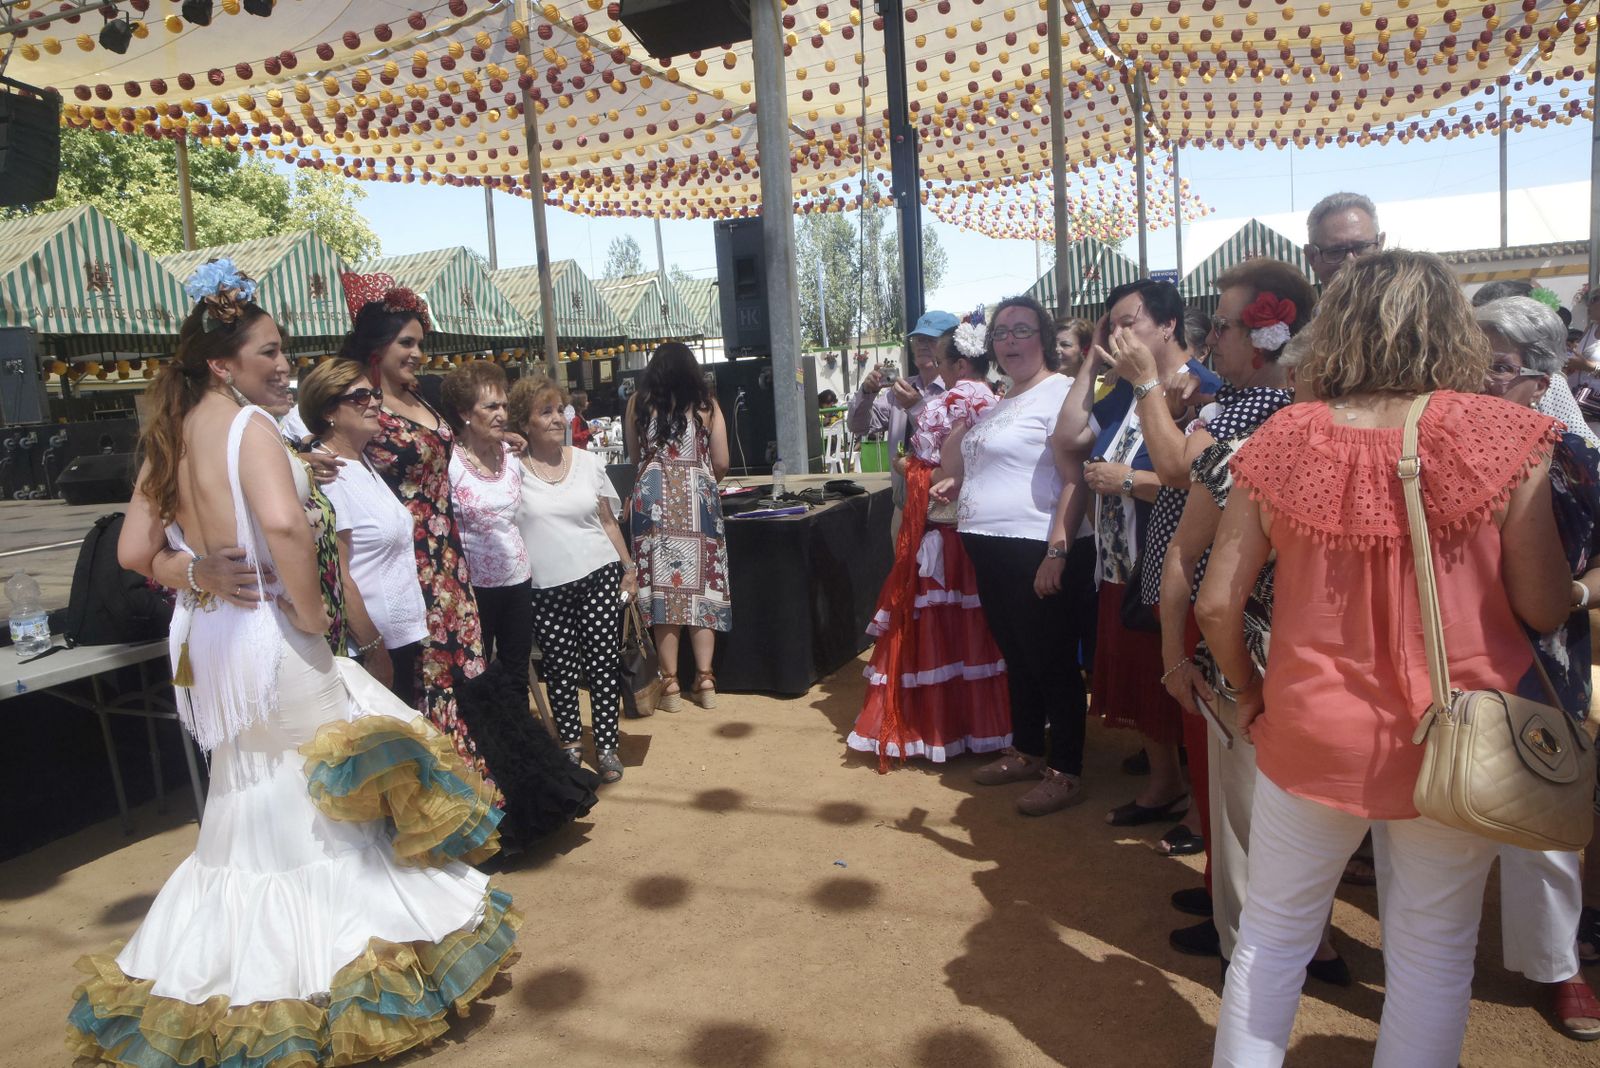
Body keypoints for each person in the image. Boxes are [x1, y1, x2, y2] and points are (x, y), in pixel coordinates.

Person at [78, 264, 517, 1066]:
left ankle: (225, 980)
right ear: (223, 362)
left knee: (249, 808)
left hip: (210, 643)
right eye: (270, 352)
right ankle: (324, 987)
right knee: (319, 810)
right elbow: (282, 526)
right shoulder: (246, 430)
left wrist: (195, 573)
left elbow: (135, 550)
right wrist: (314, 615)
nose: (285, 365)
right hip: (269, 641)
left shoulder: (172, 434)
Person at [1199, 250, 1569, 1066]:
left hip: (1309, 729)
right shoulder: (1508, 434)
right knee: (1432, 952)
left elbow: (1218, 603)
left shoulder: (1285, 435)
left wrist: (1250, 691)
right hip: (1460, 733)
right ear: (1451, 328)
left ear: (1340, 326)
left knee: (1271, 936)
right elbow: (1543, 606)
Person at [1142, 261, 1343, 980]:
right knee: (1262, 814)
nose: (1211, 339)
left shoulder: (1249, 432)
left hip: (1261, 658)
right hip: (1292, 659)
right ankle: (1286, 939)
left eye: (1223, 325)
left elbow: (1189, 548)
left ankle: (1270, 951)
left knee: (1261, 814)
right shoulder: (1253, 429)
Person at [1474, 295, 1600, 1040]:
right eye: (1474, 364)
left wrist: (1571, 595)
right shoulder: (1430, 448)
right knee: (1435, 809)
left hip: (1542, 662)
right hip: (1447, 655)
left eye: (1501, 368)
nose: (1484, 382)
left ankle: (1560, 968)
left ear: (1540, 377)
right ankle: (1436, 962)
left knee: (1544, 822)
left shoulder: (1575, 459)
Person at [1056, 279, 1220, 828]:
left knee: (1176, 681)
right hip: (1122, 565)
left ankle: (1196, 804)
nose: (1120, 334)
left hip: (1172, 565)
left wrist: (1128, 481)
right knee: (1145, 680)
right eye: (1113, 325)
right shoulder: (1126, 389)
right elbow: (1069, 435)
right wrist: (1092, 357)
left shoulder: (1202, 390)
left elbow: (1205, 483)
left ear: (1168, 325)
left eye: (1130, 322)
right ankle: (1167, 783)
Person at [337, 280, 490, 785]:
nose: (418, 353)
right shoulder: (355, 403)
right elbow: (308, 435)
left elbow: (442, 448)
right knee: (427, 683)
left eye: (420, 343)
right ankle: (444, 804)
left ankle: (481, 797)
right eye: (407, 343)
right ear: (376, 347)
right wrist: (306, 459)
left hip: (450, 562)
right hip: (405, 567)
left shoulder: (416, 393)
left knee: (466, 674)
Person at [947, 296, 1092, 815]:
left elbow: (1075, 480)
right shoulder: (1004, 399)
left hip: (1036, 547)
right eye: (1001, 333)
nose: (1008, 342)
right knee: (1019, 657)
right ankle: (1028, 749)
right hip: (991, 549)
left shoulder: (1061, 394)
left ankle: (1066, 769)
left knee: (1052, 661)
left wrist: (1057, 550)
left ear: (1046, 339)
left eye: (1021, 331)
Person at [849, 313, 1011, 766]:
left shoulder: (953, 401)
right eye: (919, 345)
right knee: (970, 627)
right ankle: (973, 724)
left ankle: (941, 725)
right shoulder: (996, 398)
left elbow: (944, 474)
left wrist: (909, 468)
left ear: (955, 356)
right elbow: (859, 426)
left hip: (943, 527)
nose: (927, 355)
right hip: (957, 526)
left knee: (937, 623)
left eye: (934, 349)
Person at [513, 375, 636, 784]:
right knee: (560, 669)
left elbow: (607, 520)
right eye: (543, 412)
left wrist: (629, 569)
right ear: (524, 423)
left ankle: (606, 746)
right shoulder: (510, 472)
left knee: (602, 663)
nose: (555, 419)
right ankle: (569, 744)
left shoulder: (587, 462)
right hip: (544, 586)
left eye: (558, 410)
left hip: (599, 574)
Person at [297, 360, 426, 703]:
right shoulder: (332, 475)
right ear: (329, 410)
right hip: (367, 648)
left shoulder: (361, 462)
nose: (373, 402)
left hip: (398, 638)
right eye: (359, 396)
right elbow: (339, 571)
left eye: (375, 393)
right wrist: (373, 649)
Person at [625, 341, 732, 711]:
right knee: (701, 588)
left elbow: (634, 456)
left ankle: (669, 684)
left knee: (661, 590)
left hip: (652, 500)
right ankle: (705, 680)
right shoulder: (707, 405)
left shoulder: (638, 403)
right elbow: (721, 462)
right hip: (698, 498)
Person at [441, 361, 533, 693]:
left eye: (504, 406)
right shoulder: (448, 460)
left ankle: (517, 744)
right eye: (491, 406)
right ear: (465, 412)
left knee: (516, 675)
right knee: (475, 676)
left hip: (518, 581)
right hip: (472, 587)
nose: (501, 414)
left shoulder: (512, 455)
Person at [847, 310, 958, 522]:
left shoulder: (958, 392)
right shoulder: (899, 390)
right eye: (918, 339)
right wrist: (867, 392)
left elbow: (948, 443)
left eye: (931, 339)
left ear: (950, 346)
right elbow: (857, 426)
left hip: (944, 514)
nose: (922, 345)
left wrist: (916, 407)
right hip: (904, 509)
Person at [1302, 191, 1385, 286]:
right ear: (1312, 257)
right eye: (1336, 251)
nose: (1350, 261)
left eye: (1361, 247)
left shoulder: (1403, 299)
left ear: (1380, 245)